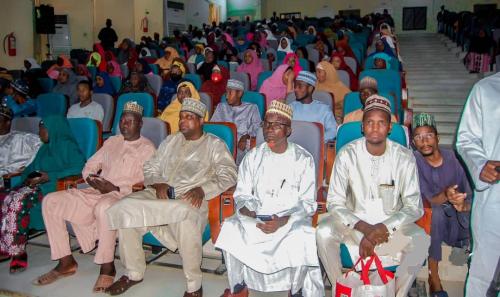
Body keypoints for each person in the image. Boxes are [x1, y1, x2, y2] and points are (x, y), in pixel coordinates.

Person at [105, 99, 237, 296]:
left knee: (184, 215)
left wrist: (202, 189)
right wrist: (158, 184)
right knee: (125, 206)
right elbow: (150, 167)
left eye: (189, 118)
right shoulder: (171, 140)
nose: (183, 121)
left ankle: (194, 287)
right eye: (181, 117)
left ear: (201, 121)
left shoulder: (214, 145)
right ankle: (133, 273)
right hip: (158, 195)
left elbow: (229, 175)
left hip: (189, 199)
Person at [35, 102, 155, 292]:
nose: (124, 124)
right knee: (51, 201)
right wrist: (91, 179)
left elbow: (148, 182)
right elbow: (89, 165)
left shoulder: (147, 148)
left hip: (125, 196)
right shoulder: (111, 142)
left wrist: (116, 187)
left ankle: (107, 266)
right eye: (122, 120)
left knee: (104, 207)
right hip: (97, 190)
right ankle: (66, 261)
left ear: (140, 124)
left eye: (130, 121)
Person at [316, 96, 430, 297]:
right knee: (323, 232)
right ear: (362, 127)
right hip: (352, 227)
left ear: (390, 128)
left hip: (391, 231)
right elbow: (335, 202)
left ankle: (398, 292)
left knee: (420, 241)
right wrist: (365, 228)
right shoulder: (346, 155)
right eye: (370, 122)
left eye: (381, 123)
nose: (375, 128)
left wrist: (382, 227)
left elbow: (414, 206)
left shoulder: (404, 157)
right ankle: (340, 288)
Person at [216, 100, 325, 297]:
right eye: (266, 124)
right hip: (257, 217)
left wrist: (282, 220)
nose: (269, 130)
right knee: (231, 226)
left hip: (289, 219)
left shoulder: (303, 159)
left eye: (276, 125)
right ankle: (240, 286)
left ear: (289, 130)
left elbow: (308, 203)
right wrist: (252, 213)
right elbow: (241, 194)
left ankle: (297, 288)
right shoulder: (253, 157)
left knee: (303, 233)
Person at [0, 116, 85, 273]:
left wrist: (48, 176)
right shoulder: (44, 148)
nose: (39, 132)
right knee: (5, 197)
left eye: (42, 128)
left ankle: (18, 253)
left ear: (52, 128)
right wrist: (28, 179)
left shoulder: (67, 145)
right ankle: (5, 244)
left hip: (56, 187)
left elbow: (79, 168)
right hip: (37, 185)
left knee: (18, 201)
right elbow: (30, 169)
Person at [412, 113, 471, 297]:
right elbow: (425, 201)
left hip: (458, 220)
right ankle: (433, 275)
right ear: (413, 142)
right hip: (431, 221)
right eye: (419, 137)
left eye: (429, 135)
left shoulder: (455, 159)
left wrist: (463, 205)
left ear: (437, 138)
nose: (424, 142)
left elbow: (471, 195)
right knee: (436, 211)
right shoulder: (413, 161)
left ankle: (473, 256)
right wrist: (446, 195)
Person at [456, 72, 500, 297]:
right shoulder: (487, 89)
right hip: (495, 197)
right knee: (485, 277)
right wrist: (480, 165)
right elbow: (466, 139)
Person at [211, 79, 261, 164]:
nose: (226, 96)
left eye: (230, 93)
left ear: (239, 93)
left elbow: (257, 128)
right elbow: (213, 127)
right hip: (221, 144)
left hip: (240, 146)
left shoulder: (251, 108)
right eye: (226, 92)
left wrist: (246, 136)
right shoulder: (221, 107)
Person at [290, 71, 337, 142]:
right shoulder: (290, 107)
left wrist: (315, 140)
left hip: (315, 148)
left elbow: (333, 131)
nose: (296, 89)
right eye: (295, 86)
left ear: (310, 89)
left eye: (300, 86)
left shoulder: (324, 110)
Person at [0, 105, 41, 176]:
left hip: (11, 179)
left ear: (8, 122)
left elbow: (42, 145)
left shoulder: (22, 138)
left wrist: (27, 167)